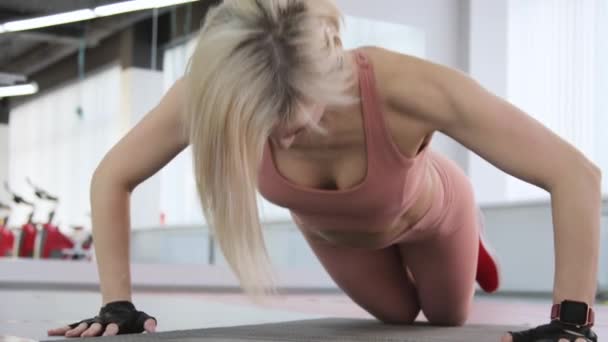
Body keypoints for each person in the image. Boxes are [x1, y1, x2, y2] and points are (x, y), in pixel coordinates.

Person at [47, 1, 601, 341]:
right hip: (336, 231)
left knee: (446, 317)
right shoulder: (211, 93)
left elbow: (574, 174)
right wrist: (116, 305)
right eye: (263, 126)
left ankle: (474, 236)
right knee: (396, 317)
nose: (281, 139)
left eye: (293, 119)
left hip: (432, 215)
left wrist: (573, 319)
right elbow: (112, 176)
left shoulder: (408, 87)